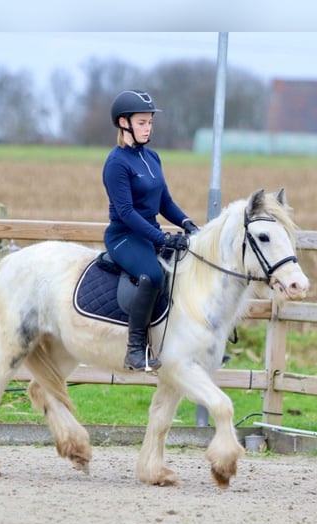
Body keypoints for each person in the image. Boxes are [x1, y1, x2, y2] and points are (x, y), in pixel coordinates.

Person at [102, 90, 199, 372]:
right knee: (153, 275)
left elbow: (164, 201)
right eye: (142, 122)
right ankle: (135, 351)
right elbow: (127, 213)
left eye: (150, 123)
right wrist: (162, 238)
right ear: (124, 123)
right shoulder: (116, 163)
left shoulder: (152, 157)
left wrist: (187, 223)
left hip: (149, 232)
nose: (148, 128)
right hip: (124, 236)